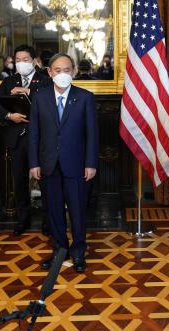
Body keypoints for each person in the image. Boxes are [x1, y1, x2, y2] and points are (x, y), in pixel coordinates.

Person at [29, 53, 98, 273]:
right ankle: (60, 251)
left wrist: (91, 163)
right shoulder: (39, 97)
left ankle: (78, 253)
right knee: (53, 211)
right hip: (48, 164)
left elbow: (92, 134)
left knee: (77, 210)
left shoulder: (85, 97)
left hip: (77, 164)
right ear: (49, 72)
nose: (62, 74)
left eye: (66, 70)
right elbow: (34, 134)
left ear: (74, 72)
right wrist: (34, 163)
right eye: (57, 70)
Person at [0, 44, 51, 236]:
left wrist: (28, 92)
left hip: (40, 140)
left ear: (33, 60)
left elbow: (50, 101)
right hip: (17, 138)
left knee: (45, 182)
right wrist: (9, 116)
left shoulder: (45, 80)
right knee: (19, 182)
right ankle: (23, 220)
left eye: (25, 60)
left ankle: (48, 222)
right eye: (18, 60)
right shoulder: (9, 81)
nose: (21, 63)